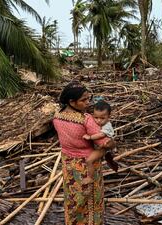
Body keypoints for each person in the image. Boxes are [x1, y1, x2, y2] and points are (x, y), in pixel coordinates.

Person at [53, 82, 115, 225]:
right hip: (87, 166)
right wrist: (112, 143)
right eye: (83, 100)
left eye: (88, 98)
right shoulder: (85, 120)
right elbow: (104, 143)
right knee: (91, 201)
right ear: (71, 101)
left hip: (68, 165)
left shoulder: (57, 117)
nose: (88, 103)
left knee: (73, 199)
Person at [82, 100, 118, 184]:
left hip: (104, 148)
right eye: (96, 117)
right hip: (99, 146)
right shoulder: (96, 122)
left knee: (89, 161)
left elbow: (101, 135)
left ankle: (90, 177)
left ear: (108, 117)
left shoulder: (107, 126)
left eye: (102, 118)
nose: (98, 121)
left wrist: (90, 137)